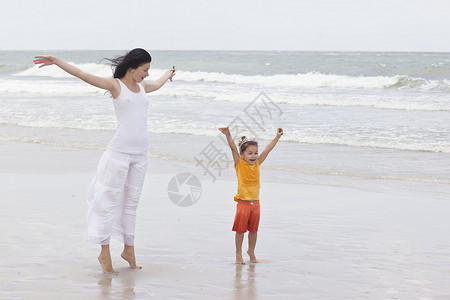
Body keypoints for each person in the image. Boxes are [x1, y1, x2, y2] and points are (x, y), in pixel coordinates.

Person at [33, 48, 175, 274]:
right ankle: (104, 253)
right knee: (107, 203)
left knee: (131, 204)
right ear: (132, 68)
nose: (147, 74)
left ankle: (129, 250)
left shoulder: (143, 88)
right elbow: (83, 75)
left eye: (149, 70)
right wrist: (57, 61)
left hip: (140, 155)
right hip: (118, 154)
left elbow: (157, 84)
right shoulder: (115, 85)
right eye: (145, 70)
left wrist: (168, 74)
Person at [218, 127, 283, 264]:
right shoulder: (240, 164)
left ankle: (251, 252)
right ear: (242, 154)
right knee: (240, 230)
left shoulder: (257, 164)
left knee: (253, 230)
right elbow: (233, 148)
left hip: (256, 203)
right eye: (250, 153)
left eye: (255, 153)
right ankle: (238, 254)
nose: (253, 156)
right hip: (243, 203)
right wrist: (228, 134)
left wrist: (277, 137)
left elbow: (267, 150)